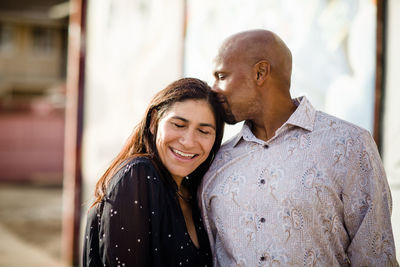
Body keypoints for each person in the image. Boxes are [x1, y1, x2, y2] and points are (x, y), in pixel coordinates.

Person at [198, 29, 398, 266]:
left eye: (221, 76)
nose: (212, 88)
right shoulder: (215, 161)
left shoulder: (349, 145)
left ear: (261, 72)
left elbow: (374, 255)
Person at [83, 77, 224, 266]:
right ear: (154, 122)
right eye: (179, 125)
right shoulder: (138, 175)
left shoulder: (192, 192)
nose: (189, 142)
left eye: (204, 131)